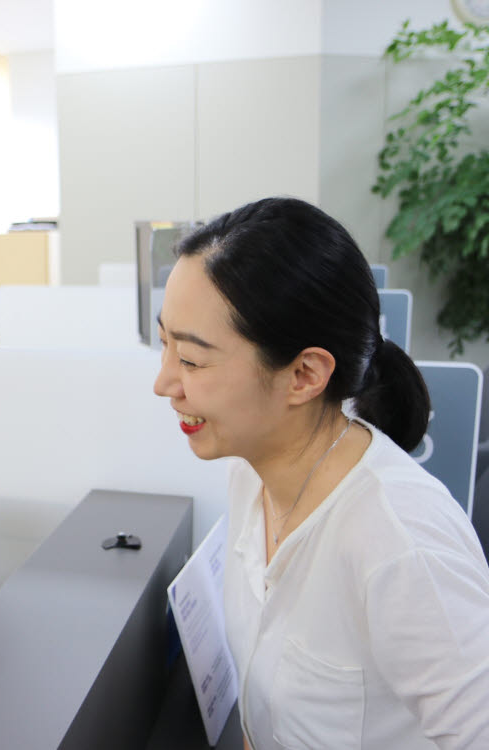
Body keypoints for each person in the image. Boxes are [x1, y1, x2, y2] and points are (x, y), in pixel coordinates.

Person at [153, 197, 489, 750]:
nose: (165, 383)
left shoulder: (400, 543)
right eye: (166, 344)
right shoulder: (251, 473)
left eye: (190, 360)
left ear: (305, 374)